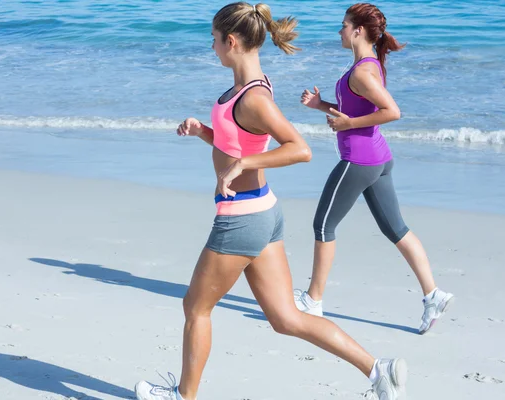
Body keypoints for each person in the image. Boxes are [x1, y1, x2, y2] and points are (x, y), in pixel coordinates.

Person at [135, 3, 407, 400]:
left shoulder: (254, 98)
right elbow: (238, 142)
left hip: (241, 218)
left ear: (231, 41)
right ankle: (378, 370)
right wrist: (204, 132)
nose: (212, 47)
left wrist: (241, 163)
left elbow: (299, 149)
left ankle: (183, 396)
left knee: (196, 308)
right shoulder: (250, 87)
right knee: (285, 318)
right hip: (263, 213)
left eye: (213, 40)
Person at [295, 3, 454, 335]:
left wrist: (349, 123)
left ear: (357, 31)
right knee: (396, 229)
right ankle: (433, 295)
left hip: (359, 160)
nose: (338, 31)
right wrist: (321, 105)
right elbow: (355, 107)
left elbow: (392, 111)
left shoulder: (362, 71)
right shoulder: (367, 65)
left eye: (343, 25)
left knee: (323, 225)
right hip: (378, 159)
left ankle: (313, 300)